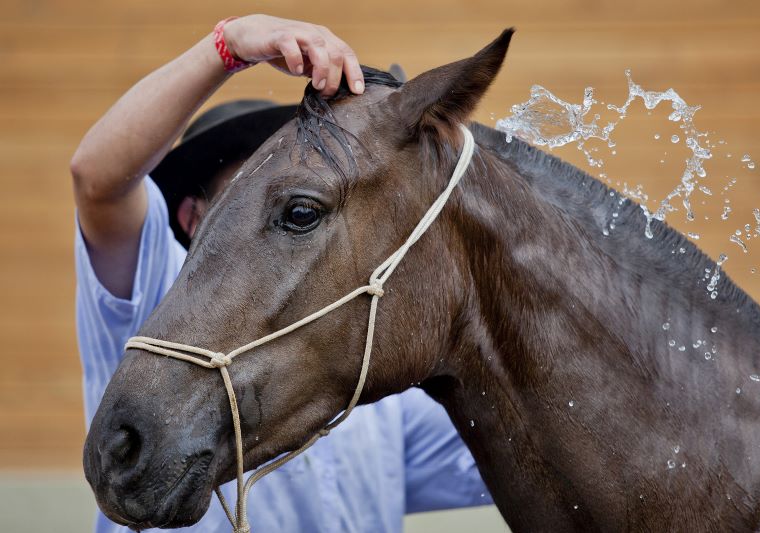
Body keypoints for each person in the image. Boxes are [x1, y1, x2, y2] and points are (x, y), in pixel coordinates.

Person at [70, 14, 489, 532]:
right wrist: (227, 46)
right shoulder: (156, 282)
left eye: (294, 209)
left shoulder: (357, 373)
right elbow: (98, 180)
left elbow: (525, 439)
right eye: (240, 196)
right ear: (193, 218)